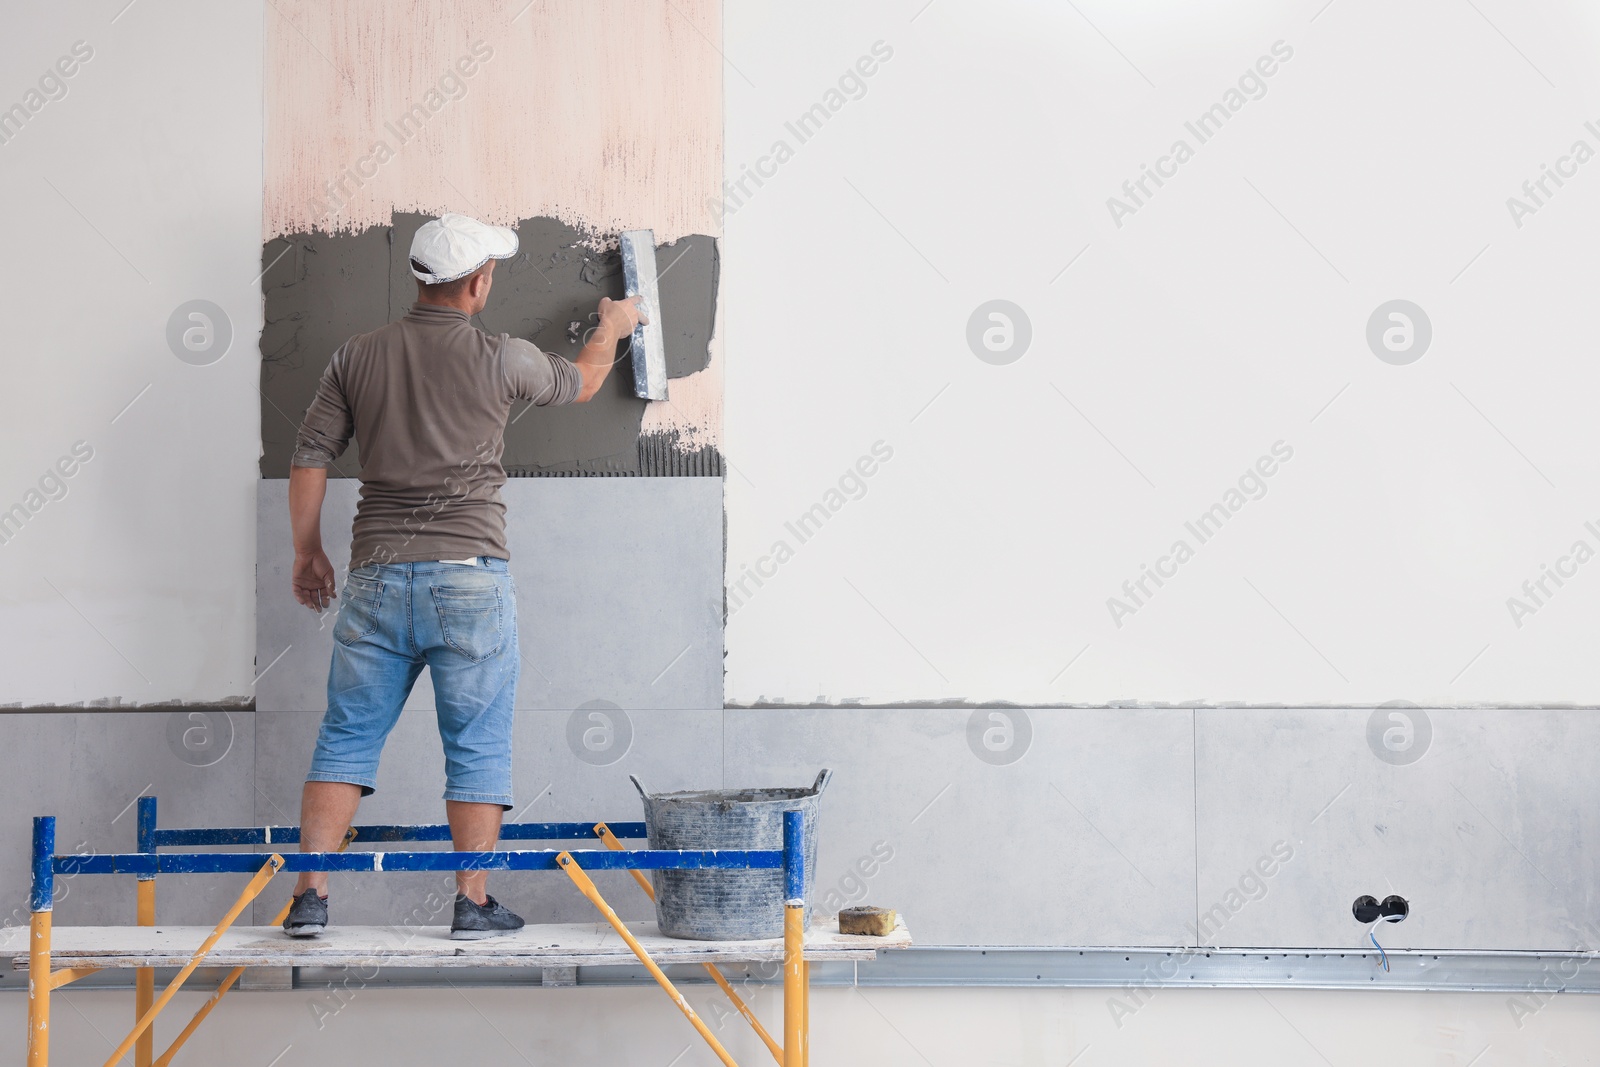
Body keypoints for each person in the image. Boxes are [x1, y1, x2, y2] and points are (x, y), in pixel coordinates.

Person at [281, 213, 643, 939]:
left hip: (377, 575)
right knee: (476, 742)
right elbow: (583, 382)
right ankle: (471, 903)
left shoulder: (357, 355)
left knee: (347, 736)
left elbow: (310, 451)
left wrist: (307, 551)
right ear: (478, 282)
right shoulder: (503, 357)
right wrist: (615, 324)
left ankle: (311, 897)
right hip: (469, 580)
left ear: (420, 277)